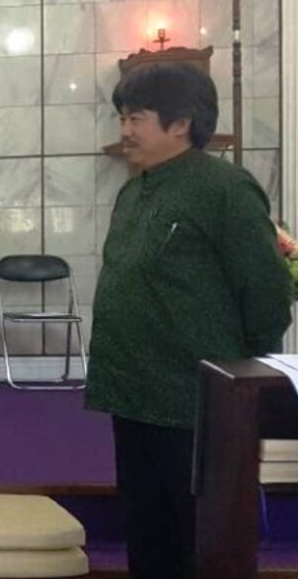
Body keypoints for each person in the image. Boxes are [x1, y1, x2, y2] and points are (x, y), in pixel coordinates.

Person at [87, 62, 293, 579]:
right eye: (121, 118)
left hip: (195, 402)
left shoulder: (223, 189)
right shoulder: (135, 191)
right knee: (146, 528)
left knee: (196, 537)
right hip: (133, 394)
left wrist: (240, 377)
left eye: (136, 118)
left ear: (181, 123)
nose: (125, 130)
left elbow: (266, 291)